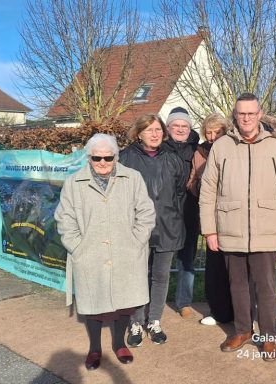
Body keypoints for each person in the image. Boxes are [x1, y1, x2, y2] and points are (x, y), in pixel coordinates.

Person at [199, 93, 276, 361]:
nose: (246, 118)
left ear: (259, 113)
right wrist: (209, 229)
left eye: (251, 113)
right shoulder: (221, 146)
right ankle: (242, 330)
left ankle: (267, 336)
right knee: (237, 284)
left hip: (267, 229)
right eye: (241, 113)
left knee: (266, 286)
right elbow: (208, 190)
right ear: (235, 115)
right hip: (230, 228)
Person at [54, 133, 156, 370]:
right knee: (93, 303)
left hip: (126, 252)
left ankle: (119, 344)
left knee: (124, 302)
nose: (102, 162)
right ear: (88, 157)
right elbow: (64, 218)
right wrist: (76, 246)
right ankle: (94, 349)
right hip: (89, 253)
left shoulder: (132, 178)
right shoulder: (74, 182)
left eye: (108, 157)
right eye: (96, 157)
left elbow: (146, 212)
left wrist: (137, 240)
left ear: (116, 156)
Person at [118, 114, 188, 347]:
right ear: (139, 133)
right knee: (136, 277)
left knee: (161, 276)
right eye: (150, 130)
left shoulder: (173, 158)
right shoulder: (125, 158)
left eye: (158, 129)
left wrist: (170, 216)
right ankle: (136, 322)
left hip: (167, 226)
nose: (156, 134)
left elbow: (179, 192)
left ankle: (154, 321)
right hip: (136, 228)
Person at [187, 112, 234, 326]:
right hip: (211, 215)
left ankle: (240, 312)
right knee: (214, 266)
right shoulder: (200, 151)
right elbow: (191, 181)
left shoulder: (234, 148)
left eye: (218, 132)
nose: (213, 136)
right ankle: (218, 311)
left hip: (233, 215)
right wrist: (200, 185)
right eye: (209, 132)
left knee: (235, 267)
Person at [163, 106, 201, 319]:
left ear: (190, 128)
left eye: (184, 125)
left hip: (189, 211)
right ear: (168, 128)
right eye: (175, 125)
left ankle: (184, 302)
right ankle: (152, 300)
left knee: (187, 260)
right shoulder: (159, 147)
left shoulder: (196, 149)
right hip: (165, 213)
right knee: (159, 260)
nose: (180, 129)